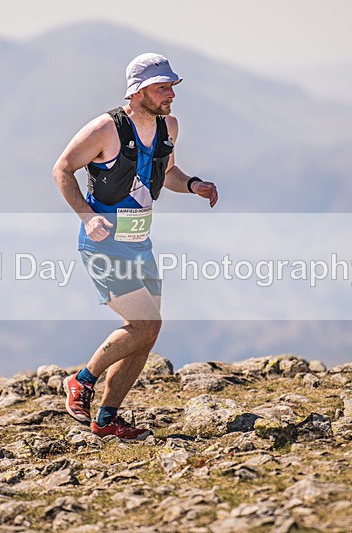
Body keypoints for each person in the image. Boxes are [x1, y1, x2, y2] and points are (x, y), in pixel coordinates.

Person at [52, 52, 218, 441]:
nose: (171, 95)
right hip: (103, 244)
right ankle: (81, 380)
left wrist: (193, 185)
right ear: (139, 91)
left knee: (144, 334)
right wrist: (86, 216)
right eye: (163, 88)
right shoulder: (105, 129)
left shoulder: (169, 127)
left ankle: (108, 419)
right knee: (146, 324)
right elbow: (61, 168)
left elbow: (168, 172)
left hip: (140, 243)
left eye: (172, 87)